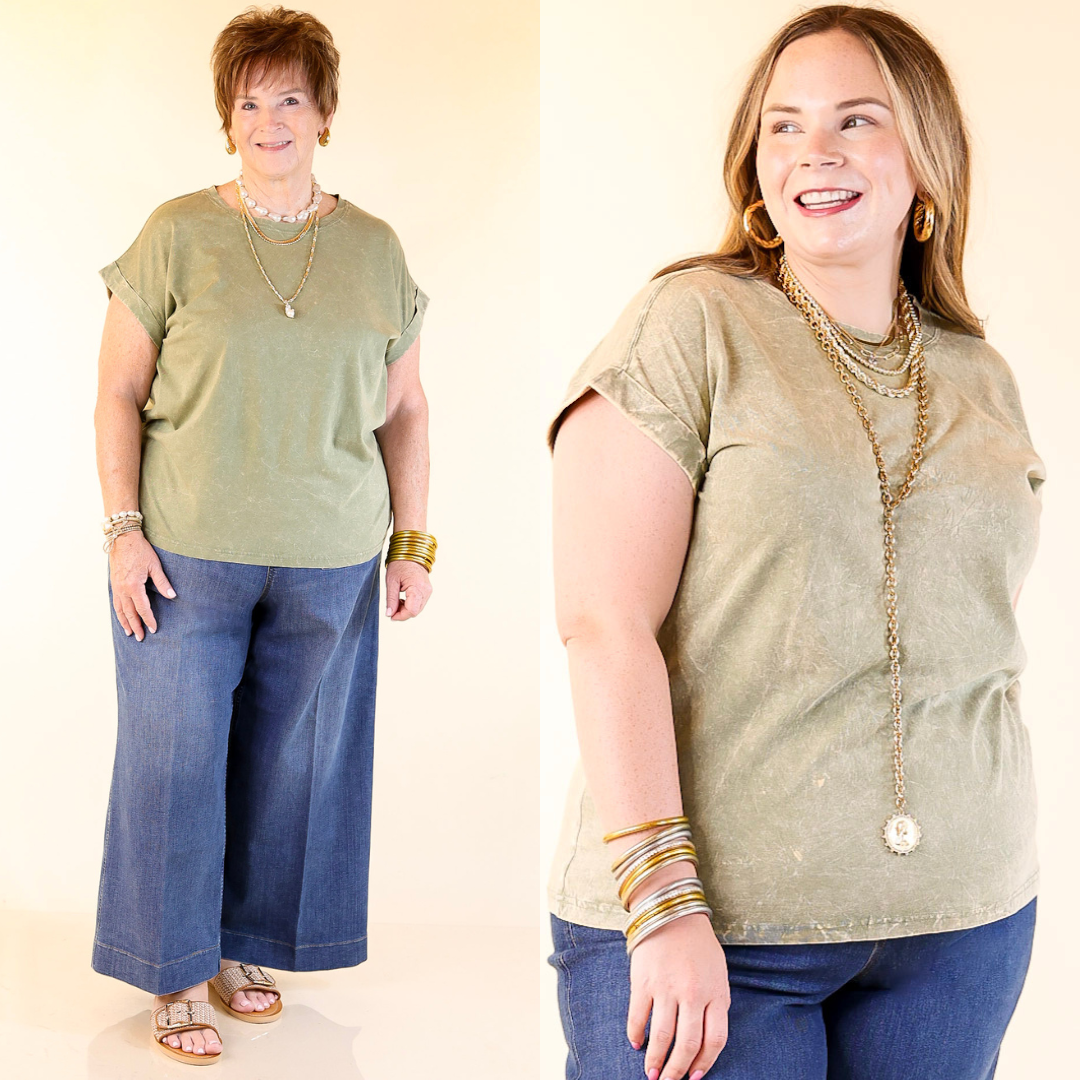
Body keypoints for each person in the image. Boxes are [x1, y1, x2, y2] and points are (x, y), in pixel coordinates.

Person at [547, 6, 1043, 1079]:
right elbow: (602, 622)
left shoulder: (980, 374)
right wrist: (665, 902)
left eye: (856, 120)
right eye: (784, 125)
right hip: (719, 931)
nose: (814, 150)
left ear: (926, 160)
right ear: (753, 163)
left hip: (964, 923)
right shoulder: (690, 324)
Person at [92, 6, 435, 1065]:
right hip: (186, 551)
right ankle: (171, 971)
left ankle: (237, 946)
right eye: (248, 100)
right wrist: (121, 530)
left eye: (290, 97)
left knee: (289, 770)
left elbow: (409, 408)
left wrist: (413, 543)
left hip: (332, 556)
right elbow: (116, 392)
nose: (269, 119)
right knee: (174, 764)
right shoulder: (176, 234)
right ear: (226, 117)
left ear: (324, 113)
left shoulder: (375, 249)